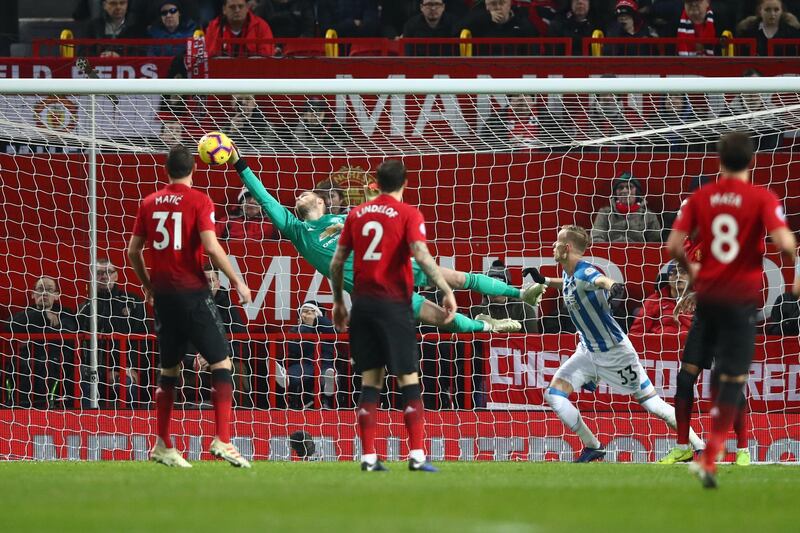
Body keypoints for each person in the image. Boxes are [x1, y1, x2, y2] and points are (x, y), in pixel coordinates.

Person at [227, 145, 538, 335]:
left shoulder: (345, 217)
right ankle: (486, 325)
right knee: (442, 317)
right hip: (379, 291)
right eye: (301, 195)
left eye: (308, 192)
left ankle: (520, 294)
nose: (302, 194)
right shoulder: (296, 230)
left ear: (323, 203)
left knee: (458, 278)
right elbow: (265, 198)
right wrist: (239, 162)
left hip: (396, 265)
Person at [667, 131, 798, 488]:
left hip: (709, 297)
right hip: (741, 299)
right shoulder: (761, 197)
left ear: (719, 160)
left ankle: (722, 453)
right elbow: (786, 244)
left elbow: (674, 245)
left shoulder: (702, 197)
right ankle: (708, 457)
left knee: (708, 375)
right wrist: (795, 264)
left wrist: (693, 271)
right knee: (730, 377)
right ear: (752, 161)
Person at [529, 225, 705, 462]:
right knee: (554, 395)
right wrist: (546, 280)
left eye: (557, 242)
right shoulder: (569, 272)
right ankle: (593, 446)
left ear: (567, 248)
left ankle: (698, 445)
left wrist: (615, 288)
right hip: (587, 350)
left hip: (615, 353)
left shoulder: (585, 272)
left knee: (652, 403)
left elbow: (602, 280)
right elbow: (569, 284)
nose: (553, 246)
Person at [128, 145, 253, 468]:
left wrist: (147, 283)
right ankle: (223, 440)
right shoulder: (199, 200)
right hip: (192, 292)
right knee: (222, 363)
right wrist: (237, 281)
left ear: (166, 170)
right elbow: (211, 247)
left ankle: (163, 444)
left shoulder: (149, 202)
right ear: (193, 169)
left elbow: (133, 251)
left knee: (169, 369)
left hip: (164, 296)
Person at [330, 159, 457, 472]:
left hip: (362, 305)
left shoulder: (356, 214)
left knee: (370, 381)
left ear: (376, 182)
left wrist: (338, 302)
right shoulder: (408, 213)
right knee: (408, 378)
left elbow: (336, 263)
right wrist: (446, 289)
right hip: (394, 305)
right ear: (405, 183)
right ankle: (416, 455)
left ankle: (369, 457)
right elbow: (422, 256)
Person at [77, 258, 149, 407]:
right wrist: (105, 370)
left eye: (108, 272)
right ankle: (86, 426)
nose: (104, 276)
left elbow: (141, 339)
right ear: (93, 277)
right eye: (99, 273)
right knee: (84, 383)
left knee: (126, 384)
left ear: (116, 276)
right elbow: (83, 345)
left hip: (125, 367)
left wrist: (130, 367)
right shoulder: (86, 307)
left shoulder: (133, 302)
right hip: (96, 369)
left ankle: (130, 427)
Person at [5, 276, 79, 408]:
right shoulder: (25, 314)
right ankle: (18, 404)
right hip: (26, 365)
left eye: (49, 289)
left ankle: (51, 402)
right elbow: (10, 325)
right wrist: (44, 315)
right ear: (33, 295)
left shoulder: (66, 314)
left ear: (56, 296)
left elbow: (67, 332)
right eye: (40, 289)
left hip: (55, 364)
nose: (44, 293)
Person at [278, 300, 337, 409]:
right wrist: (305, 328)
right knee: (296, 373)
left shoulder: (327, 328)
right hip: (305, 364)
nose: (308, 314)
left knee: (326, 374)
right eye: (304, 311)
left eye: (312, 312)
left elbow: (333, 331)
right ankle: (286, 378)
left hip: (324, 363)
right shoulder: (296, 330)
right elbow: (295, 347)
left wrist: (317, 321)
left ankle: (329, 384)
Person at [469, 260, 539, 333]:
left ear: (507, 287)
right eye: (490, 286)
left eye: (499, 286)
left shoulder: (524, 310)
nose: (494, 290)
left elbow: (532, 341)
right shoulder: (475, 311)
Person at [591, 172, 662, 243]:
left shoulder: (648, 215)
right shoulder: (605, 213)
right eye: (620, 187)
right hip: (610, 253)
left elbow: (656, 242)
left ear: (637, 191)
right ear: (616, 193)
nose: (624, 191)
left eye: (629, 186)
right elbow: (596, 238)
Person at [629, 262, 693, 335]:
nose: (678, 276)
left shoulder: (700, 300)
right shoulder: (654, 300)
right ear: (668, 278)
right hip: (661, 344)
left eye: (683, 272)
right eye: (674, 272)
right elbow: (636, 332)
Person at [459, 0, 539, 56]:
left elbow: (532, 53)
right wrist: (486, 17)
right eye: (493, 3)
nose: (498, 7)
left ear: (509, 4)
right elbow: (455, 31)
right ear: (486, 6)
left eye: (502, 3)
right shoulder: (477, 21)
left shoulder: (523, 24)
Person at [206, 0, 275, 58]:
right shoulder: (214, 27)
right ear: (224, 10)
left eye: (241, 6)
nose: (237, 10)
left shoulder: (261, 27)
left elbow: (266, 59)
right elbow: (209, 57)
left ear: (247, 8)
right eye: (232, 7)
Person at [736, 0, 800, 56]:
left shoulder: (792, 33)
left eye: (776, 10)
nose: (772, 14)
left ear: (782, 11)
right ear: (760, 11)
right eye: (767, 10)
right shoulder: (747, 33)